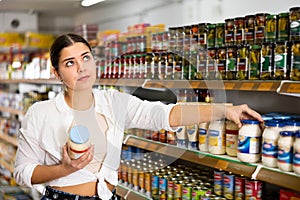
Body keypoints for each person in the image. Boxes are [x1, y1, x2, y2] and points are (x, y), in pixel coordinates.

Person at [13, 33, 263, 200]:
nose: (81, 68)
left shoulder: (114, 101)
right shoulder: (41, 113)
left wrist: (224, 109)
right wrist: (63, 168)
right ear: (57, 73)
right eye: (70, 63)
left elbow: (164, 115)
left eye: (86, 58)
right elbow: (23, 171)